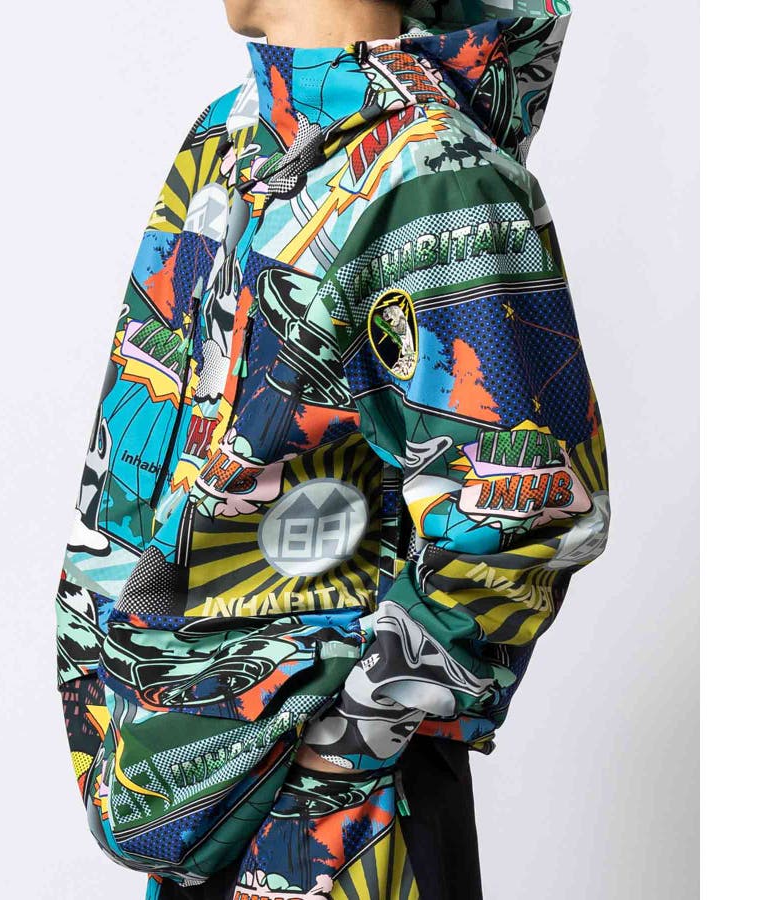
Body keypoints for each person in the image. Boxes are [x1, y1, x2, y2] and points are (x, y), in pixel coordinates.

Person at [55, 1, 610, 898]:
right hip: (190, 778)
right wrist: (122, 708)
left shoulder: (439, 179)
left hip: (342, 816)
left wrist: (345, 750)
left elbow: (528, 514)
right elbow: (144, 443)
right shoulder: (230, 139)